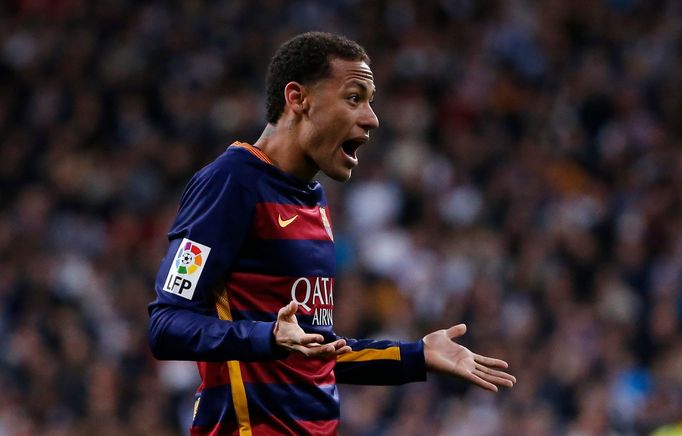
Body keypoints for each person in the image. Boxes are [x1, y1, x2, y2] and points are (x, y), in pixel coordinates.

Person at [148, 31, 516, 435]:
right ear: (298, 98)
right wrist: (267, 335)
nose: (372, 118)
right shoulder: (229, 184)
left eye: (371, 102)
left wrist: (417, 356)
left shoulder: (313, 200)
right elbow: (167, 324)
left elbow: (315, 350)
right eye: (354, 97)